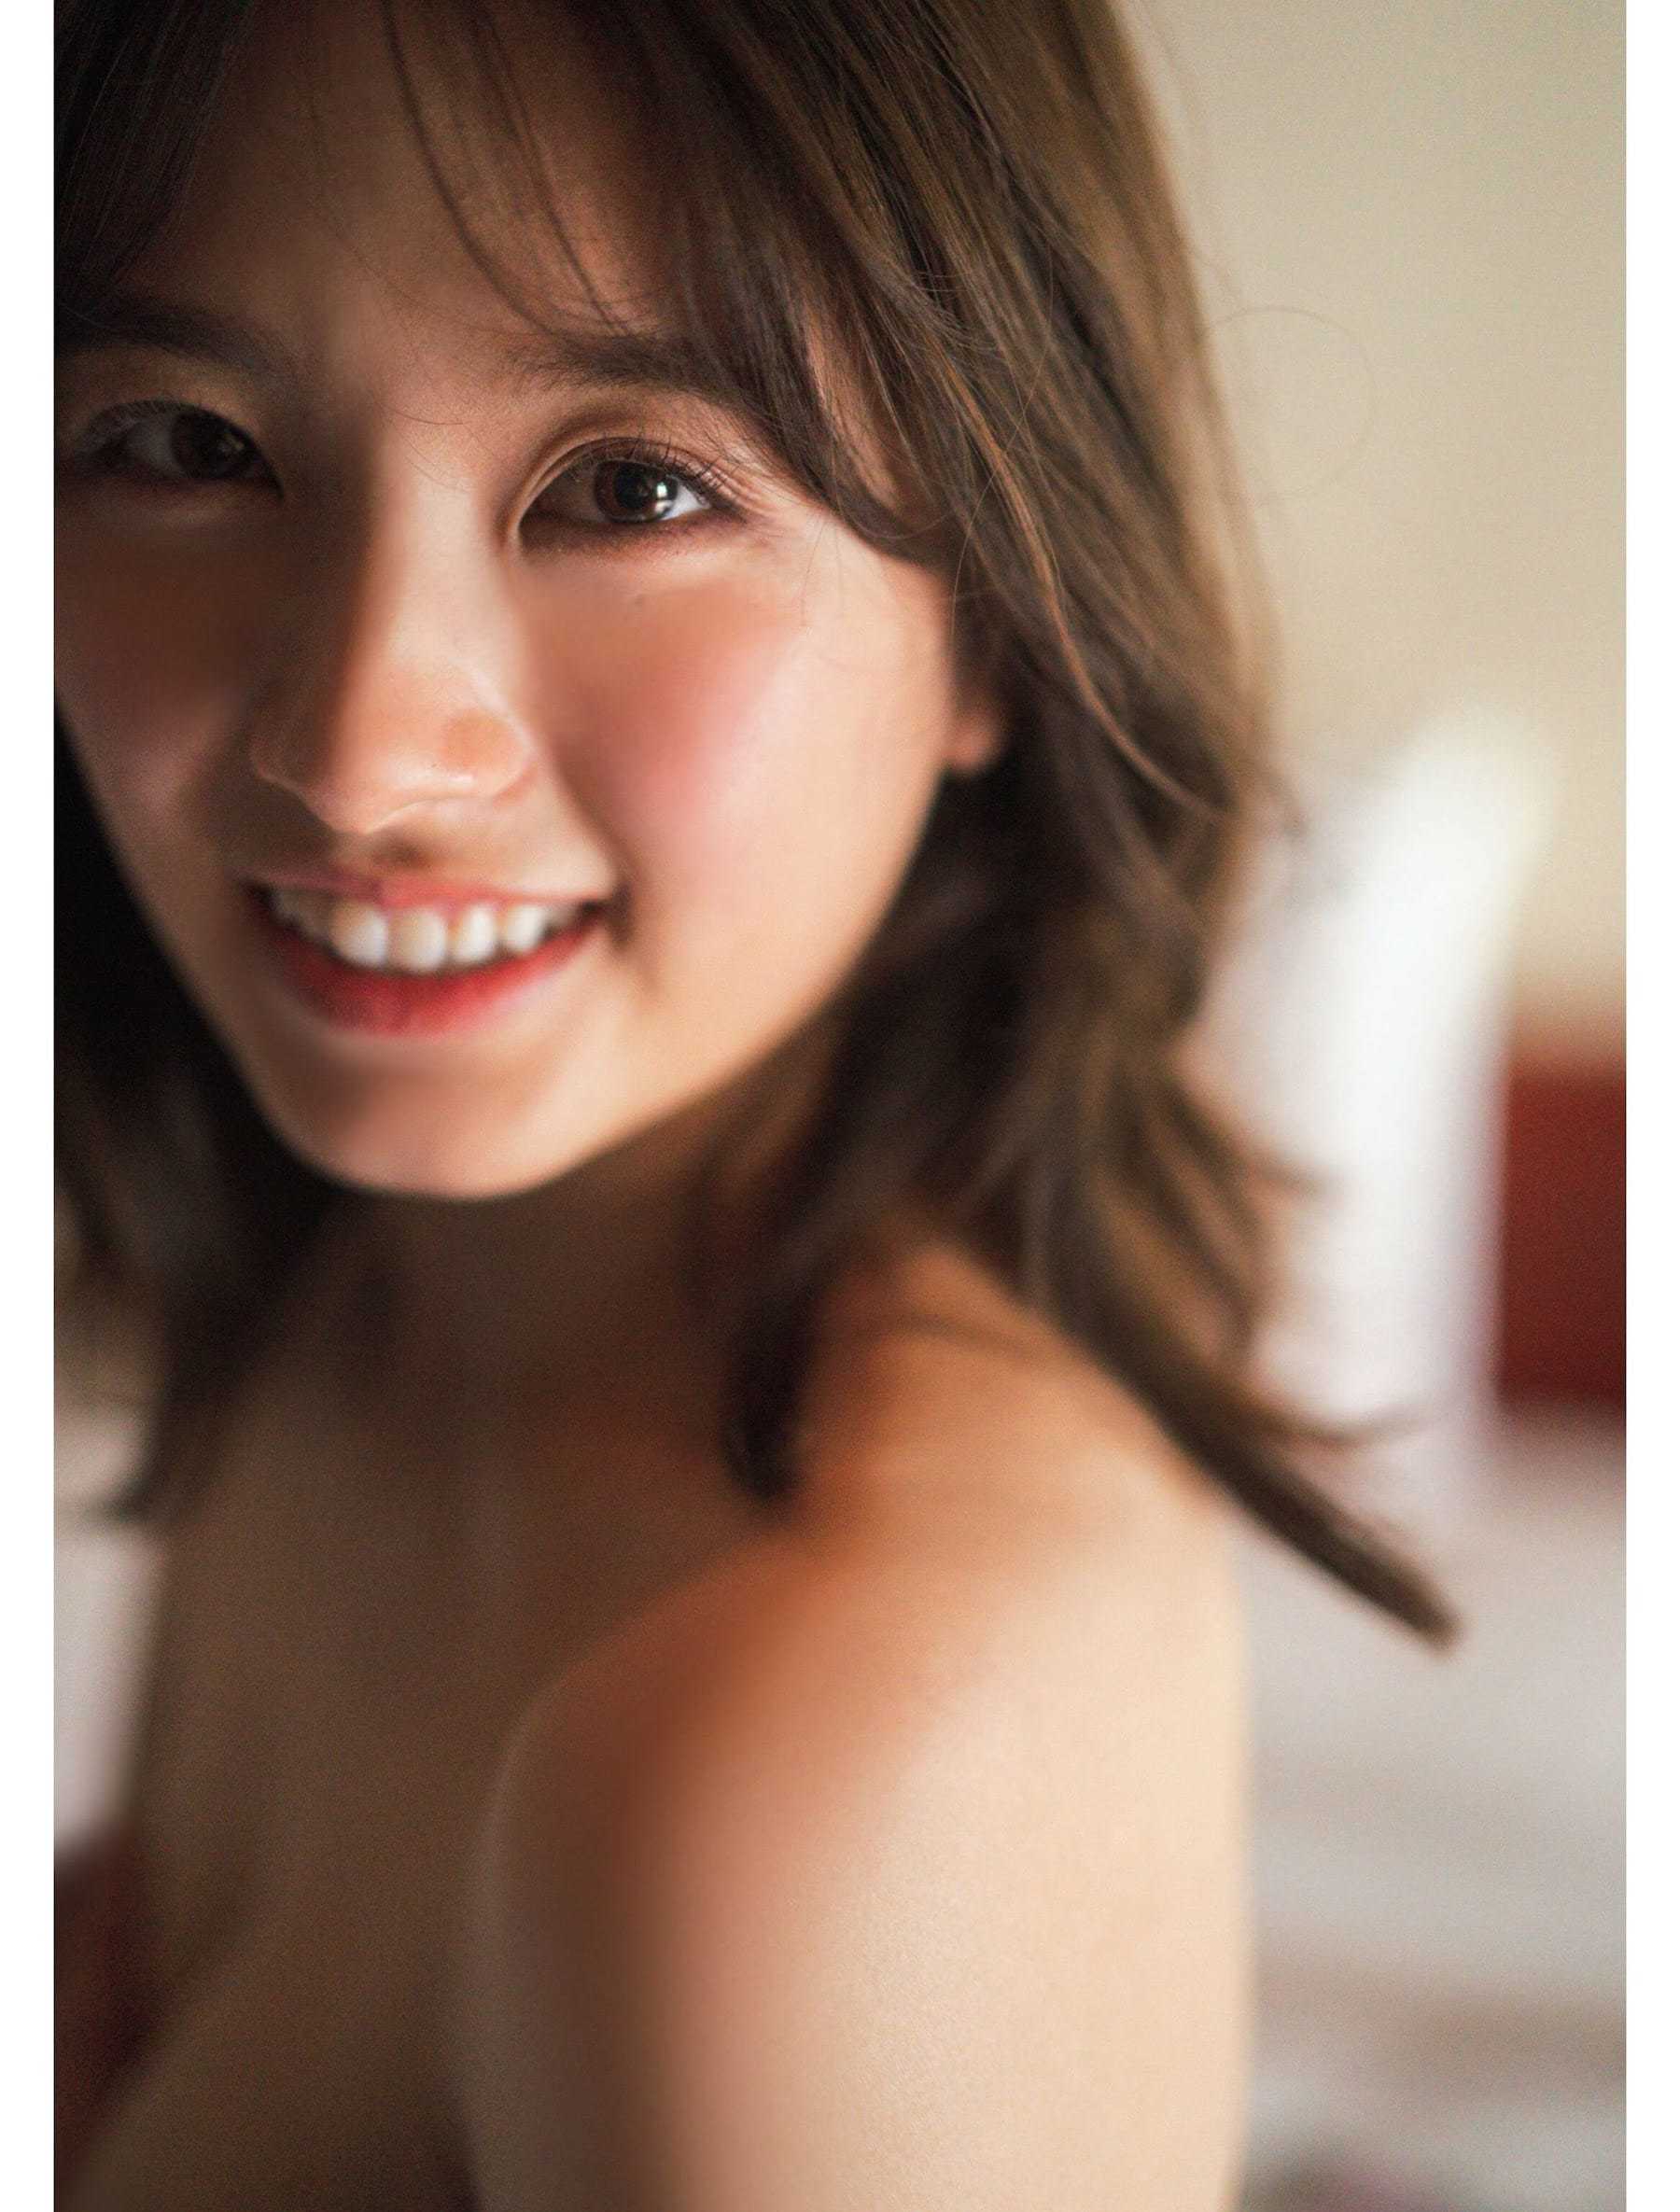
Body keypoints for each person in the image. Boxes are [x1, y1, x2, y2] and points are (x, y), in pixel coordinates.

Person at [54, 0, 1451, 2205]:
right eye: (189, 445)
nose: (355, 752)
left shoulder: (788, 1779)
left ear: (1003, 620)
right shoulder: (351, 1316)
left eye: (635, 490)